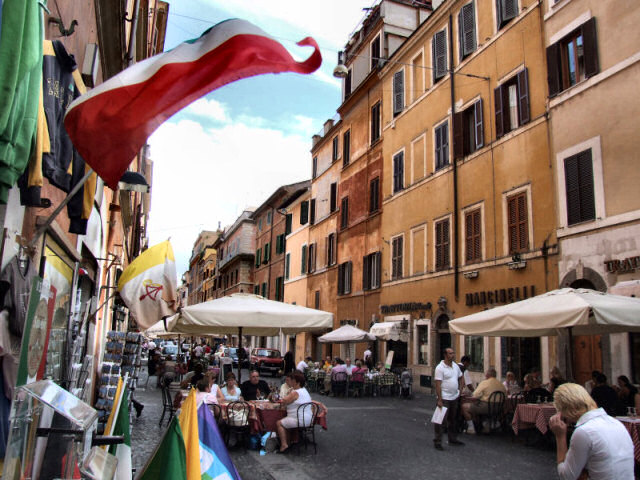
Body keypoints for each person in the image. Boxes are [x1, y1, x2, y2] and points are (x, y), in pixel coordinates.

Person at [549, 383, 634, 479]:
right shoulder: (616, 423)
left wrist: (560, 437)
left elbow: (566, 476)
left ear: (564, 410)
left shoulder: (584, 431)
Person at [433, 347, 465, 450]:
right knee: (441, 420)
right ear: (445, 355)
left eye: (453, 353)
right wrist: (439, 399)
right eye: (450, 353)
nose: (453, 355)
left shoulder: (455, 366)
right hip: (444, 397)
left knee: (453, 419)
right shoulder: (440, 368)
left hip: (454, 397)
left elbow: (461, 377)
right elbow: (438, 384)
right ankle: (438, 441)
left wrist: (460, 389)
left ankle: (452, 438)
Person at [275, 371, 313, 453]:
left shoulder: (295, 393)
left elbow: (284, 401)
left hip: (299, 420)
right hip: (308, 419)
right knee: (286, 422)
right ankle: (289, 442)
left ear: (297, 382)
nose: (291, 381)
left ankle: (284, 445)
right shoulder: (304, 390)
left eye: (292, 380)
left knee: (279, 423)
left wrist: (287, 394)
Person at [461, 368, 506, 434]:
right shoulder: (501, 384)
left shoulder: (485, 382)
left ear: (487, 375)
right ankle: (486, 425)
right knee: (476, 405)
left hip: (487, 406)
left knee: (464, 407)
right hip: (499, 407)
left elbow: (475, 395)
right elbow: (505, 397)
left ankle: (471, 428)